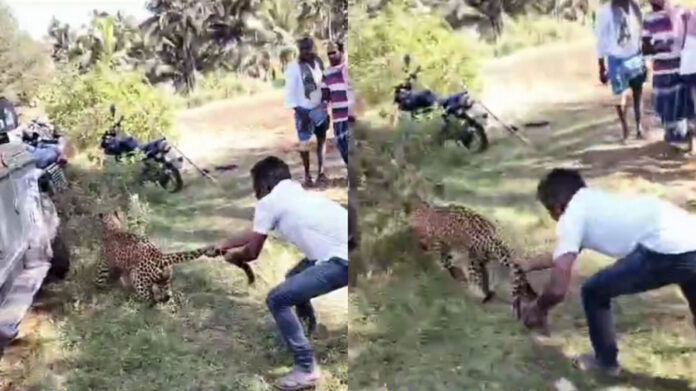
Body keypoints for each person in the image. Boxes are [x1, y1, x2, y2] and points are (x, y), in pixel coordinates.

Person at [520, 168, 696, 376]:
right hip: (688, 235)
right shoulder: (593, 201)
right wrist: (529, 264)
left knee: (594, 291)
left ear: (557, 207)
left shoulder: (572, 216)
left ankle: (606, 363)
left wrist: (538, 309)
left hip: (665, 249)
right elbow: (565, 252)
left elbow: (558, 289)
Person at [215, 156, 348, 390]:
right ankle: (307, 329)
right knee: (292, 279)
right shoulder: (294, 194)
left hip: (341, 261)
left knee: (277, 298)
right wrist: (225, 243)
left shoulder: (269, 202)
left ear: (264, 185)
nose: (255, 193)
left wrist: (233, 256)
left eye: (255, 187)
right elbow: (256, 232)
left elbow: (252, 252)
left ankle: (306, 369)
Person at [642, 0, 695, 150]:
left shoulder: (652, 18)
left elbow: (646, 46)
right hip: (677, 68)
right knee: (680, 106)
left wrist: (657, 49)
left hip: (670, 70)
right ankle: (682, 139)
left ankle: (679, 139)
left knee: (672, 107)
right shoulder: (680, 12)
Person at [595, 0, 647, 141]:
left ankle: (639, 127)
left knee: (638, 93)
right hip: (616, 59)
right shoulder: (604, 12)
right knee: (620, 96)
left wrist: (646, 54)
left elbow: (643, 29)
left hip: (635, 55)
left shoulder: (634, 6)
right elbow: (600, 39)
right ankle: (625, 127)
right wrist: (601, 65)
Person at [284, 37, 330, 187]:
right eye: (302, 49)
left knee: (321, 140)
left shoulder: (318, 64)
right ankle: (307, 174)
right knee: (304, 144)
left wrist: (324, 103)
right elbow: (289, 93)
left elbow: (324, 83)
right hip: (303, 110)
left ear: (313, 48)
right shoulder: (293, 67)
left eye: (308, 48)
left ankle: (321, 173)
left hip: (319, 108)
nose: (305, 52)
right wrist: (301, 113)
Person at [321, 41, 354, 166]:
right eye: (328, 54)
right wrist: (323, 108)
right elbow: (325, 94)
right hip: (338, 117)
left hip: (351, 115)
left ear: (341, 51)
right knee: (342, 146)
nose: (331, 56)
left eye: (333, 53)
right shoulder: (327, 73)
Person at [680, 8, 696, 139]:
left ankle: (692, 140)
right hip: (689, 63)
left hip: (688, 65)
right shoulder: (688, 15)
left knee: (690, 102)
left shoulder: (688, 15)